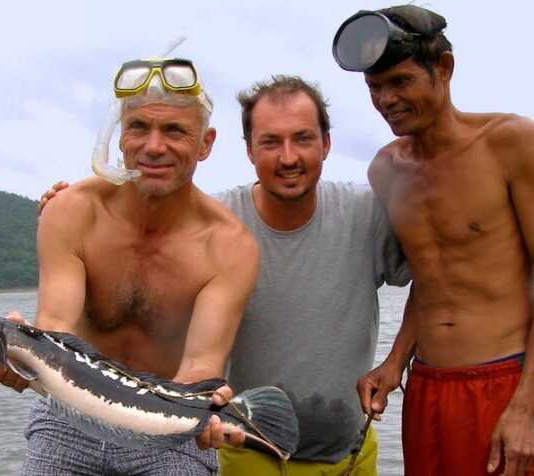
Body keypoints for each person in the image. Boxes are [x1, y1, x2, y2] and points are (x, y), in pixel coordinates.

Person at [40, 75, 410, 475]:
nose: (288, 158)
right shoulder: (211, 225)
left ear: (327, 144)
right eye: (270, 142)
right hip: (247, 449)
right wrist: (64, 213)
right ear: (249, 150)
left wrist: (395, 362)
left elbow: (445, 269)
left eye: (302, 139)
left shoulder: (366, 213)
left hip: (348, 452)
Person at [334, 6, 534, 476]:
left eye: (400, 82)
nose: (386, 100)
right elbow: (430, 275)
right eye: (374, 89)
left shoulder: (510, 141)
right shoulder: (386, 170)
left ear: (443, 69)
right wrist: (394, 362)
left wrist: (525, 406)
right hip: (426, 387)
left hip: (505, 381)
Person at [18, 56, 259, 475]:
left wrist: (203, 414)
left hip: (169, 426)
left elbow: (200, 366)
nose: (153, 146)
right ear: (119, 136)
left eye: (174, 131)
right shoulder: (72, 212)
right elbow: (55, 331)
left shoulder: (228, 246)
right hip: (67, 418)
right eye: (139, 127)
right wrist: (13, 353)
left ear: (205, 142)